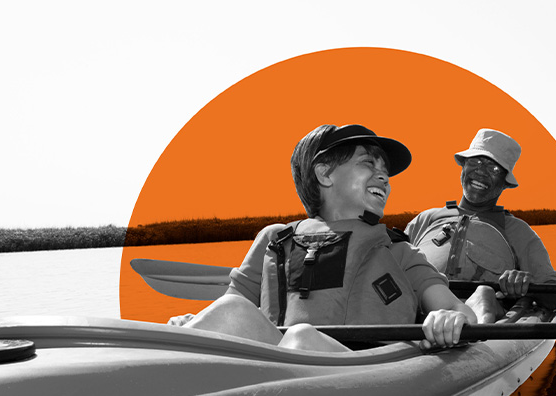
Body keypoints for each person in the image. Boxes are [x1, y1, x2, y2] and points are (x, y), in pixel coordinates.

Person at [171, 124, 476, 351]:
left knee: (302, 337)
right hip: (281, 365)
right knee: (231, 313)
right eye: (368, 163)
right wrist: (195, 323)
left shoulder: (399, 251)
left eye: (385, 171)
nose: (383, 176)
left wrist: (450, 319)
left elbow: (456, 308)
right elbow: (233, 308)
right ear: (324, 174)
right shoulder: (274, 240)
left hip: (364, 371)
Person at [404, 129, 556, 322]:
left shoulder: (518, 231)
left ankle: (471, 333)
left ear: (505, 182)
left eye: (493, 168)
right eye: (474, 162)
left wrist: (527, 283)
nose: (480, 171)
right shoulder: (426, 219)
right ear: (463, 166)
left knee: (483, 295)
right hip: (416, 306)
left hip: (479, 314)